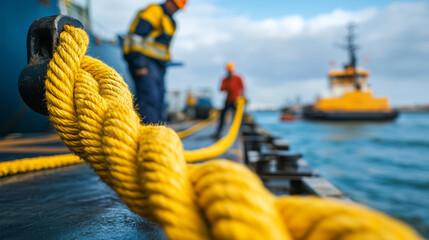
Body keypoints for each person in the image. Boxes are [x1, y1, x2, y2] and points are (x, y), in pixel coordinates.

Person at [123, 0, 186, 124]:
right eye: (175, 6)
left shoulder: (171, 22)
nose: (176, 10)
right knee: (149, 100)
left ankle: (158, 134)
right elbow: (136, 37)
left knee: (159, 103)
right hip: (145, 63)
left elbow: (163, 47)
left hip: (158, 66)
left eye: (178, 8)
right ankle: (149, 135)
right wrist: (138, 63)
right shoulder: (154, 11)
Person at [214, 62, 245, 138]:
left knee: (238, 117)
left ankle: (240, 133)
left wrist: (242, 99)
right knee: (222, 116)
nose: (230, 72)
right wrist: (228, 87)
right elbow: (221, 89)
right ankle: (218, 132)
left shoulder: (238, 78)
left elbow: (242, 88)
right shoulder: (225, 79)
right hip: (228, 100)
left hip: (236, 101)